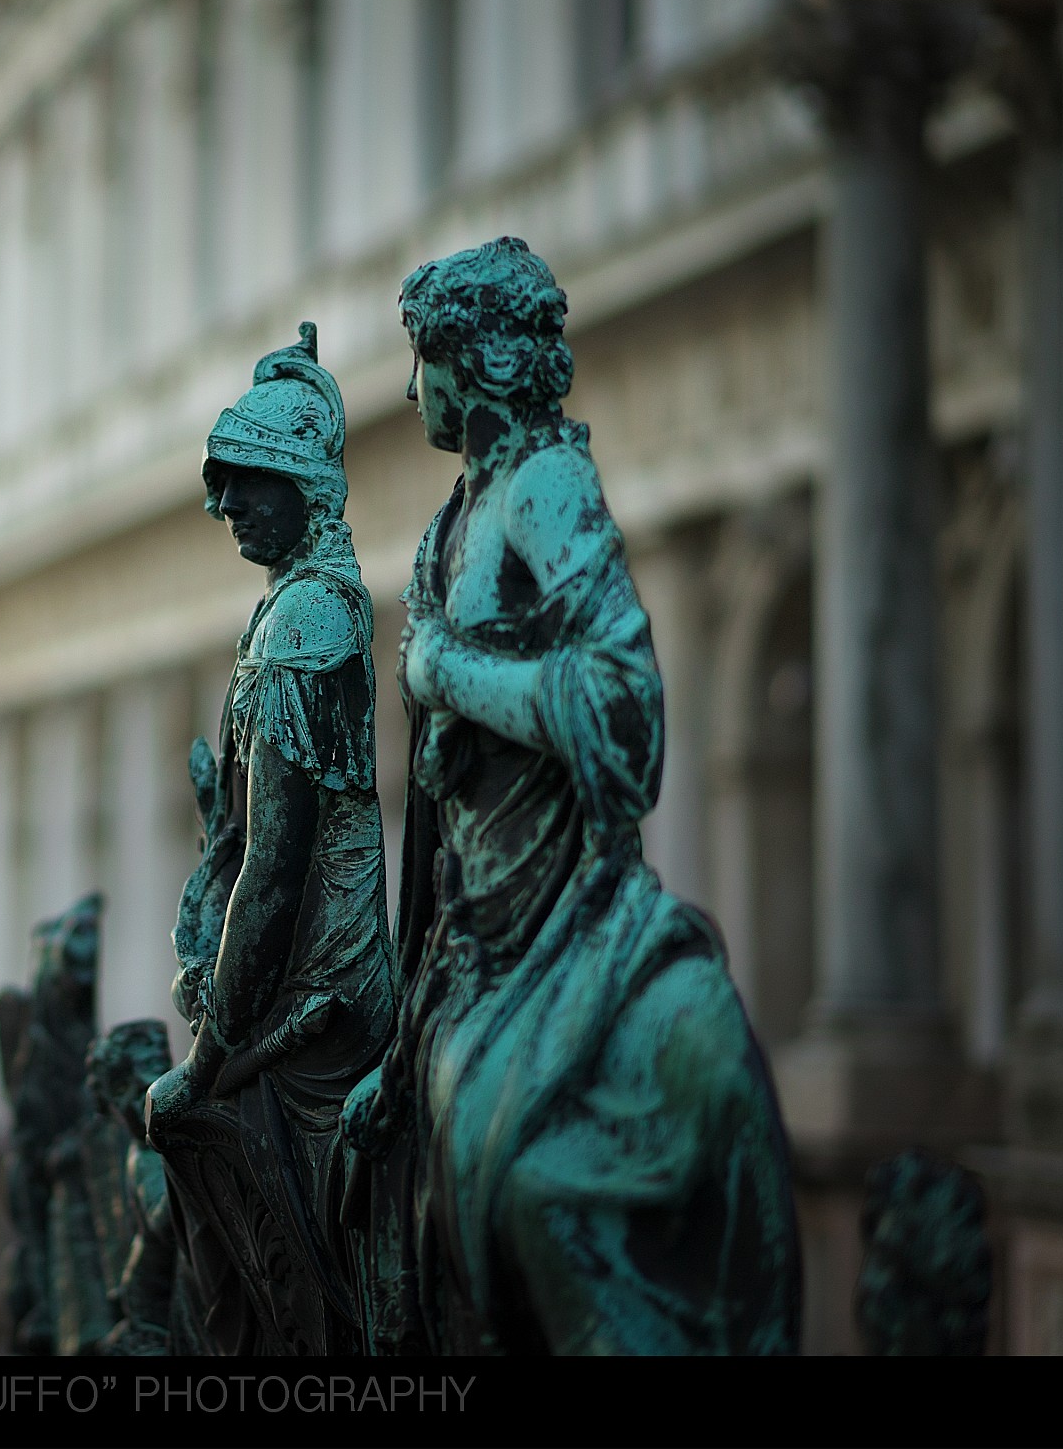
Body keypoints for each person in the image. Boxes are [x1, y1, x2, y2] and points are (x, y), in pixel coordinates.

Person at [341, 237, 801, 1354]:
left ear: (477, 359)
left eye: (426, 363)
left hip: (564, 920)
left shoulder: (546, 483)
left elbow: (624, 706)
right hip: (478, 935)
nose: (410, 393)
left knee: (524, 1195)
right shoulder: (460, 513)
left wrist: (450, 674)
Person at [146, 323, 400, 1354]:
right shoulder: (288, 608)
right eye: (223, 480)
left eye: (248, 479)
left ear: (307, 487)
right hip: (286, 990)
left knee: (179, 1122)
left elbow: (276, 869)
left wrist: (208, 1063)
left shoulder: (308, 623)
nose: (225, 503)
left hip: (318, 1009)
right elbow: (245, 838)